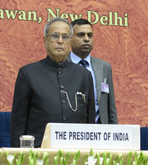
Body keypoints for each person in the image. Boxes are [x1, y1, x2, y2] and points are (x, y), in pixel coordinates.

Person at [10, 17, 95, 147]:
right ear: (45, 40)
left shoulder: (84, 75)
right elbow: (18, 124)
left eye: (65, 37)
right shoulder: (28, 74)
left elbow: (90, 124)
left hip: (77, 151)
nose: (60, 41)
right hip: (38, 153)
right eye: (55, 36)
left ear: (70, 42)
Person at [68, 18, 118, 124]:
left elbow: (110, 106)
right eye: (81, 35)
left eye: (90, 35)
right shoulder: (61, 65)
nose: (86, 39)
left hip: (100, 133)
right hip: (70, 133)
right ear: (69, 39)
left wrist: (114, 130)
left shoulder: (104, 67)